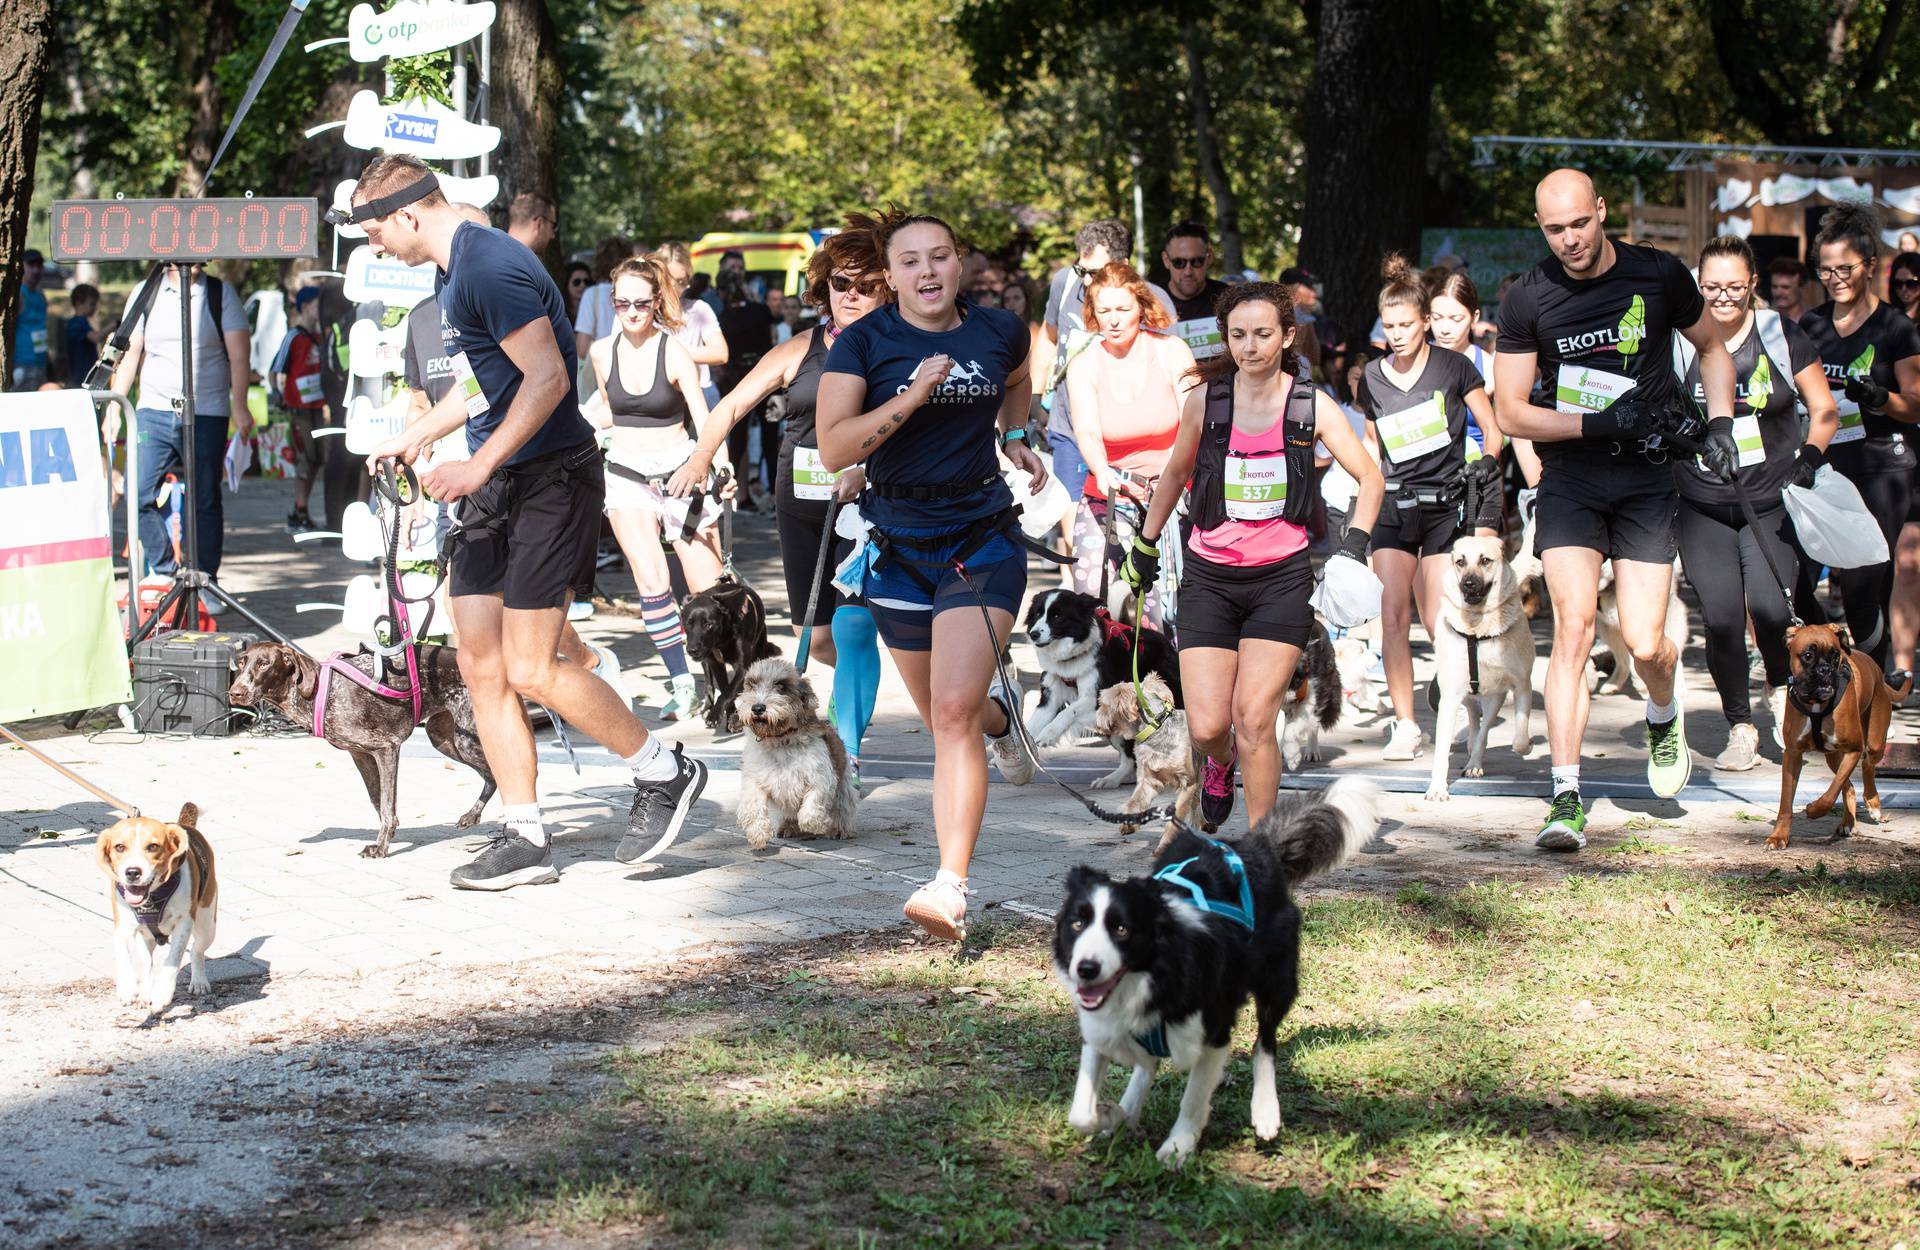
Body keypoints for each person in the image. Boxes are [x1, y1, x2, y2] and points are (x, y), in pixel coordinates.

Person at [351, 154, 708, 891]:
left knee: (530, 666)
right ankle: (525, 835)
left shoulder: (489, 266)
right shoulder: (452, 274)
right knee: (479, 661)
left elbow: (548, 381)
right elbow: (488, 381)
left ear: (409, 214)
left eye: (376, 230)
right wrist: (417, 436)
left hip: (552, 479)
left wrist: (475, 468)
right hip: (498, 481)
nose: (376, 246)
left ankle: (664, 770)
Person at [815, 207, 1051, 942]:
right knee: (951, 716)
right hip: (898, 545)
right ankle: (1002, 722)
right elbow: (833, 449)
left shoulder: (997, 329)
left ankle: (950, 886)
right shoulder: (863, 343)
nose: (927, 272)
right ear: (891, 275)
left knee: (950, 714)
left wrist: (1014, 434)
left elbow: (1018, 372)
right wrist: (911, 395)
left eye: (940, 257)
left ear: (959, 264)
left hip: (981, 538)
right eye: (911, 261)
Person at [1492, 168, 1737, 852]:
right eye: (1554, 229)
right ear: (1540, 228)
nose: (1569, 240)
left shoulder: (1657, 275)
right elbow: (1511, 411)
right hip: (1572, 478)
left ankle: (1664, 711)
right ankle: (1565, 797)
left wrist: (1719, 426)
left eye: (1579, 223)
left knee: (1644, 640)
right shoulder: (1528, 298)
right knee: (1571, 629)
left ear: (1601, 212)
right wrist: (1597, 426)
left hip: (1648, 481)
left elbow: (1714, 347)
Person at [1121, 282, 1383, 830]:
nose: (1250, 346)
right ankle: (1220, 763)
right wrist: (1145, 544)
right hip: (1209, 578)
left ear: (1287, 336)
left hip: (1281, 580)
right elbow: (1174, 474)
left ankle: (1265, 850)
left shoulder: (1311, 405)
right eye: (1237, 335)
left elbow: (1370, 477)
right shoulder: (1207, 401)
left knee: (1256, 718)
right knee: (1210, 725)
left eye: (1263, 334)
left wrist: (1353, 547)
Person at [669, 217, 891, 780]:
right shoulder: (800, 348)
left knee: (852, 626)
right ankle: (859, 678)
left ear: (887, 287)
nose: (852, 295)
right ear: (824, 287)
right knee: (816, 638)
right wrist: (700, 458)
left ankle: (848, 744)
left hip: (870, 505)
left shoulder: (896, 346)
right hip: (803, 505)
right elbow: (732, 405)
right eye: (842, 283)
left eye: (866, 286)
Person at [1668, 236, 1838, 770]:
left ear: (1753, 285)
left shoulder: (1780, 336)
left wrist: (1809, 455)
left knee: (1769, 610)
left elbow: (1824, 408)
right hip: (1702, 502)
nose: (1723, 297)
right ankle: (1740, 726)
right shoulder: (1677, 341)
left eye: (1735, 286)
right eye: (1712, 286)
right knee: (1720, 618)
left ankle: (1782, 694)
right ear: (1698, 285)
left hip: (1768, 501)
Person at [1362, 255, 1502, 760]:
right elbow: (1373, 451)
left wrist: (1487, 462)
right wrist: (1361, 516)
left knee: (1441, 615)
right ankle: (1405, 724)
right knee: (1392, 613)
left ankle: (1465, 709)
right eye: (1390, 326)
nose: (1397, 335)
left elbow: (1492, 426)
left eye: (1406, 325)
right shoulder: (1372, 377)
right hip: (1395, 508)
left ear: (1425, 322)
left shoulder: (1454, 366)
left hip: (1445, 504)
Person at [582, 255, 729, 721]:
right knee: (652, 582)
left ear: (656, 302)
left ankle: (722, 683)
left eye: (640, 304)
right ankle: (681, 683)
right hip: (626, 475)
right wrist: (578, 428)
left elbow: (702, 416)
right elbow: (612, 408)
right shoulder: (601, 353)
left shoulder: (675, 351)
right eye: (621, 302)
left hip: (681, 473)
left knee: (708, 591)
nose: (630, 312)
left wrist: (720, 467)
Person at [1796, 203, 1920, 674]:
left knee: (1862, 583)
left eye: (1844, 268)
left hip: (1882, 469)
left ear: (1870, 266)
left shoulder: (1895, 327)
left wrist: (1880, 397)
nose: (1834, 278)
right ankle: (1824, 675)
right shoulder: (1812, 325)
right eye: (1825, 270)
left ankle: (1873, 689)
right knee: (1800, 576)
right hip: (1824, 465)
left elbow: (1916, 401)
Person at [1035, 220, 1175, 593]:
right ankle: (1078, 589)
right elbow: (1050, 341)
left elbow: (1189, 407)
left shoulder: (1165, 335)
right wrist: (1036, 400)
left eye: (1095, 273)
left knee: (1157, 592)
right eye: (1083, 271)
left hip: (1161, 472)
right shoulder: (1068, 294)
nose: (1085, 281)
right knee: (1081, 530)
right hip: (1083, 445)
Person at [107, 262, 254, 611]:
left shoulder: (219, 294)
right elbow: (130, 352)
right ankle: (162, 568)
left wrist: (240, 405)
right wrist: (115, 405)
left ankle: (205, 579)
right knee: (137, 491)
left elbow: (239, 355)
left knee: (203, 497)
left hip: (206, 409)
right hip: (154, 408)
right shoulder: (149, 291)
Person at [1064, 261, 1197, 622]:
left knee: (1161, 608)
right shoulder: (1084, 364)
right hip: (1110, 491)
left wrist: (1175, 472)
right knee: (1091, 599)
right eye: (1104, 311)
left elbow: (1194, 419)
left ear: (1141, 306)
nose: (1114, 320)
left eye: (1123, 309)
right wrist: (1102, 471)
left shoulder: (1171, 351)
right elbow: (1087, 430)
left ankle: (1165, 673)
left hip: (1171, 493)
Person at [1425, 267, 1511, 536]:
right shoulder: (1413, 362)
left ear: (1474, 317)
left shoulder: (1489, 366)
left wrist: (1487, 463)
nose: (1445, 328)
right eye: (1437, 318)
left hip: (1476, 478)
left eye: (1455, 318)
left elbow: (1505, 429)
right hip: (1423, 479)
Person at [715, 265, 780, 506]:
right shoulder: (762, 311)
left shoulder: (723, 317)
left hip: (737, 378)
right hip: (767, 374)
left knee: (738, 438)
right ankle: (773, 493)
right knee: (770, 436)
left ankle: (733, 492)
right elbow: (772, 339)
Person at [270, 287, 329, 530]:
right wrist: (278, 394)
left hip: (317, 407)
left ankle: (300, 509)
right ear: (305, 306)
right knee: (305, 459)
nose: (321, 310)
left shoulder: (320, 337)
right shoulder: (293, 336)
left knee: (316, 459)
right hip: (299, 408)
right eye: (317, 304)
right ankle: (300, 511)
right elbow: (275, 370)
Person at [653, 243, 730, 411]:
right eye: (668, 280)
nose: (675, 288)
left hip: (700, 395)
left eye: (681, 282)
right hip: (657, 401)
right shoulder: (645, 311)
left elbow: (721, 353)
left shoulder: (699, 309)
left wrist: (669, 353)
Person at [1162, 220, 1230, 363]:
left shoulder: (1229, 299)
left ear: (1209, 257)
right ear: (1166, 260)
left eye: (1196, 262)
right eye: (1179, 262)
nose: (1188, 271)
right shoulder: (1151, 301)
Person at [572, 237, 635, 381]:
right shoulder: (636, 292)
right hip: (629, 367)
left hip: (600, 370)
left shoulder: (592, 294)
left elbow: (581, 348)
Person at [11, 249, 49, 391]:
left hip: (40, 364)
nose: (35, 270)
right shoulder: (18, 294)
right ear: (21, 266)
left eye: (39, 265)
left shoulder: (40, 296)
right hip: (21, 364)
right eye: (31, 265)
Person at [64, 282, 102, 388]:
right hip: (81, 376)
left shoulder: (79, 322)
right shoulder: (78, 323)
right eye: (92, 304)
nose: (94, 308)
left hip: (82, 375)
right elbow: (96, 338)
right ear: (79, 302)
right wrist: (114, 325)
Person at [506, 192, 558, 256]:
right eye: (553, 226)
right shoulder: (524, 264)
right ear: (539, 224)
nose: (553, 236)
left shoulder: (493, 250)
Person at [1768, 256, 1811, 323]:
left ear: (1802, 288)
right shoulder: (1764, 320)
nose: (1778, 293)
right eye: (1774, 287)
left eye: (1785, 287)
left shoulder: (1813, 320)